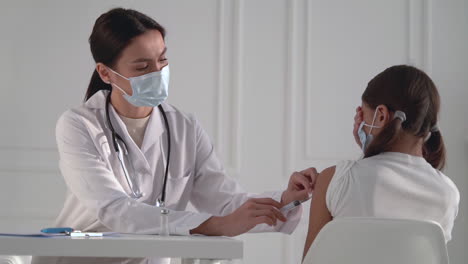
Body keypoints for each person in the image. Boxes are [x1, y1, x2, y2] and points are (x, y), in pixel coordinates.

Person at [32, 8, 317, 264]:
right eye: (142, 67)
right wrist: (215, 225)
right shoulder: (79, 125)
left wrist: (286, 198)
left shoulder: (185, 128)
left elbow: (226, 202)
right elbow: (115, 209)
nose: (158, 72)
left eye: (163, 59)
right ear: (106, 73)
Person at [302, 65, 460, 262]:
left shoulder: (334, 180)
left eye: (364, 115)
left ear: (382, 115)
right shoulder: (447, 193)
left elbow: (312, 260)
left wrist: (368, 154)